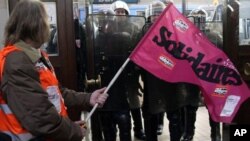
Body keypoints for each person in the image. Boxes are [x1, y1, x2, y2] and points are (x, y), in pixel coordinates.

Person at [0, 1, 108, 141]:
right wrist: (74, 131)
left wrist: (88, 98)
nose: (49, 25)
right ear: (36, 24)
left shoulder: (36, 56)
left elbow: (56, 92)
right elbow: (41, 118)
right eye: (46, 19)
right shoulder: (17, 62)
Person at [141, 1, 184, 141]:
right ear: (149, 15)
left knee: (174, 114)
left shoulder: (174, 30)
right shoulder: (143, 31)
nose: (156, 15)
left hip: (170, 79)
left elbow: (180, 52)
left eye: (159, 12)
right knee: (150, 115)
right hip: (150, 79)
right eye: (154, 13)